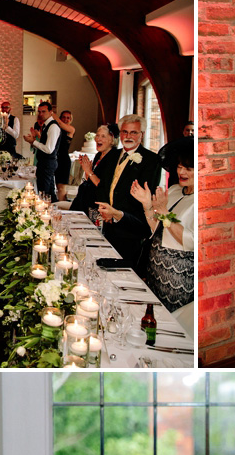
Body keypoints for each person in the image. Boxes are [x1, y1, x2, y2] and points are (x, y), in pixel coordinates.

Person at [129, 137, 195, 333]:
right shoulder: (174, 190)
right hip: (156, 270)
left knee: (171, 328)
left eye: (188, 169)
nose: (181, 172)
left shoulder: (202, 201)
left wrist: (164, 212)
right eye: (180, 166)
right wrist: (147, 205)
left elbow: (190, 241)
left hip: (177, 277)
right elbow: (157, 228)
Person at [95, 113, 163, 265]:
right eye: (125, 131)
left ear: (142, 134)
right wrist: (105, 211)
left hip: (131, 230)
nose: (128, 136)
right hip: (108, 225)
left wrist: (117, 215)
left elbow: (146, 196)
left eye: (134, 132)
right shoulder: (112, 155)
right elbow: (103, 185)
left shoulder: (151, 160)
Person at [71, 122, 119, 215]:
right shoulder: (99, 155)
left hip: (97, 204)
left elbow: (103, 186)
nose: (98, 139)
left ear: (112, 140)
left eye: (103, 136)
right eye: (97, 135)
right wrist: (86, 169)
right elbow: (90, 180)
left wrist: (89, 171)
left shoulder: (113, 157)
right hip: (85, 198)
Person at [29, 100, 61, 200]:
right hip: (44, 163)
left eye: (44, 111)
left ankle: (47, 213)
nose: (41, 114)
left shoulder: (53, 126)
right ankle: (53, 211)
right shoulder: (47, 125)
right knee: (50, 192)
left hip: (47, 164)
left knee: (44, 194)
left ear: (51, 112)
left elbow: (49, 149)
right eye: (39, 111)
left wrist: (33, 141)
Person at [54, 108, 75, 201]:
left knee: (61, 187)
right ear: (60, 117)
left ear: (70, 120)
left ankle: (62, 208)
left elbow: (60, 123)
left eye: (68, 118)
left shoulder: (71, 129)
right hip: (55, 159)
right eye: (63, 117)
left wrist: (51, 113)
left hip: (64, 161)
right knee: (54, 187)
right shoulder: (56, 129)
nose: (66, 119)